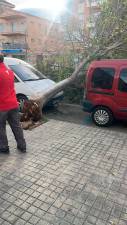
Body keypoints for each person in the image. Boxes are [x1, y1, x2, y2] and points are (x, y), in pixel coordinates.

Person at [0, 54, 26, 153]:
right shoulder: (10, 72)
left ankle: (4, 147)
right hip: (13, 104)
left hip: (2, 106)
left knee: (1, 127)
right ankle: (22, 146)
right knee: (16, 126)